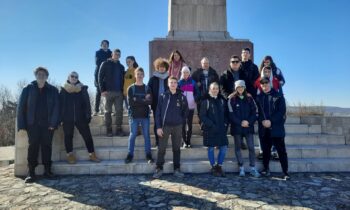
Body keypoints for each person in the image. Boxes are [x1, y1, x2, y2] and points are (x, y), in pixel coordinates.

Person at [17, 67, 59, 183]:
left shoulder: (53, 90)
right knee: (33, 147)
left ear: (47, 77)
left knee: (47, 146)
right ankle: (31, 172)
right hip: (33, 124)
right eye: (39, 74)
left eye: (44, 74)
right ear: (35, 76)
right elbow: (21, 107)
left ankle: (47, 170)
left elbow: (56, 108)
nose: (41, 76)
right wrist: (22, 124)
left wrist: (53, 123)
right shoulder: (28, 88)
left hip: (48, 125)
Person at [59, 71, 100, 164]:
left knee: (87, 136)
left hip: (81, 117)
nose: (74, 78)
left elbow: (87, 103)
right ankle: (70, 155)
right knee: (68, 136)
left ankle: (92, 154)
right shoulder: (63, 89)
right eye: (72, 76)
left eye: (76, 77)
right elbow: (60, 105)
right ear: (68, 77)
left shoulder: (82, 89)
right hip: (67, 118)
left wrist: (88, 115)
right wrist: (60, 118)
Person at [153, 76, 188, 179]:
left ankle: (176, 169)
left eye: (174, 82)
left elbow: (186, 111)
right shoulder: (163, 96)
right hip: (165, 126)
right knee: (161, 148)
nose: (173, 84)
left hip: (177, 126)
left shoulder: (182, 97)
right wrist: (158, 127)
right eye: (171, 82)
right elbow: (158, 112)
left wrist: (181, 120)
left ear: (177, 84)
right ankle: (159, 168)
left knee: (176, 149)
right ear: (168, 84)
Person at [256, 77, 290, 180]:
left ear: (270, 84)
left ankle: (285, 172)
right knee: (266, 151)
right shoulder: (259, 97)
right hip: (264, 128)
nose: (264, 86)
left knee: (281, 151)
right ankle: (266, 169)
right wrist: (262, 121)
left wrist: (271, 121)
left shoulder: (278, 96)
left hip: (276, 128)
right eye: (262, 85)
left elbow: (281, 111)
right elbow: (257, 112)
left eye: (266, 84)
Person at [228, 80, 260, 177]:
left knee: (251, 147)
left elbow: (254, 112)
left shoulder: (250, 98)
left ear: (244, 87)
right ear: (236, 88)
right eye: (238, 87)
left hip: (248, 127)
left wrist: (248, 122)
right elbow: (230, 114)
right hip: (237, 127)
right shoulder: (231, 99)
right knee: (238, 148)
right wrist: (240, 122)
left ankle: (253, 168)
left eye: (242, 86)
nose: (240, 88)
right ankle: (241, 167)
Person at [124, 67, 154, 164]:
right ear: (135, 75)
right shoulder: (131, 88)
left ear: (144, 75)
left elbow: (150, 101)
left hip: (145, 116)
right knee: (132, 135)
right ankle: (130, 155)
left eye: (141, 74)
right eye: (138, 74)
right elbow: (131, 103)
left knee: (146, 136)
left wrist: (137, 99)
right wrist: (143, 100)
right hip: (133, 116)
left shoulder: (147, 88)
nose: (140, 76)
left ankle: (148, 155)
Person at [200, 82, 228, 177]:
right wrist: (211, 124)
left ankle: (219, 166)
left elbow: (226, 114)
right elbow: (202, 116)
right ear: (209, 90)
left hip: (221, 128)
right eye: (213, 88)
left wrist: (225, 123)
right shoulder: (206, 101)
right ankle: (213, 167)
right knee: (211, 148)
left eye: (216, 88)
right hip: (210, 129)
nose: (215, 90)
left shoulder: (222, 101)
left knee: (224, 147)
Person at [99, 49, 126, 137]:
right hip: (108, 92)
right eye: (115, 54)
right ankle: (109, 129)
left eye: (118, 54)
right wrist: (102, 90)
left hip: (119, 92)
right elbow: (99, 77)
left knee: (119, 111)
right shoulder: (105, 63)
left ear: (120, 56)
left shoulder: (121, 67)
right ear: (112, 54)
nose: (117, 55)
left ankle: (119, 129)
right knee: (108, 111)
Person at [147, 58, 170, 146]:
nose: (162, 68)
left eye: (163, 67)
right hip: (156, 104)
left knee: (165, 123)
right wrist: (149, 103)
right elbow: (148, 91)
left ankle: (164, 141)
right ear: (157, 67)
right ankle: (158, 141)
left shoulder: (169, 78)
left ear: (166, 68)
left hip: (167, 104)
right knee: (157, 123)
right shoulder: (153, 79)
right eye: (160, 67)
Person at [178, 66, 198, 148]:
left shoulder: (193, 82)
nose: (185, 74)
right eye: (184, 72)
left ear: (189, 73)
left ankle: (188, 141)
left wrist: (194, 99)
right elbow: (177, 94)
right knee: (182, 124)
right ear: (182, 73)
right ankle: (184, 142)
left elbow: (197, 93)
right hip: (182, 107)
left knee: (189, 125)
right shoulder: (179, 82)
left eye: (187, 72)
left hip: (191, 106)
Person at [94, 40, 112, 116]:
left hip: (108, 75)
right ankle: (96, 110)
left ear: (108, 45)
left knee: (109, 93)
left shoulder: (111, 53)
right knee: (98, 92)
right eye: (103, 44)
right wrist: (107, 60)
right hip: (99, 74)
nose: (105, 45)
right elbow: (97, 62)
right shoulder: (98, 53)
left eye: (106, 44)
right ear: (101, 45)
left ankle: (109, 110)